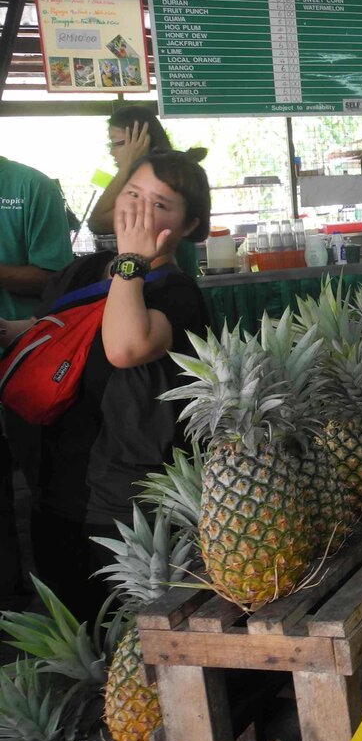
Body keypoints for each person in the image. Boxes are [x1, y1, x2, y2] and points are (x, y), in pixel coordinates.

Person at [1, 151, 211, 620]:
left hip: (122, 503)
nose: (138, 210)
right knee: (75, 625)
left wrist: (132, 263)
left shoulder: (177, 293)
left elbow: (125, 347)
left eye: (161, 204)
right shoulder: (83, 271)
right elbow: (52, 331)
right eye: (132, 194)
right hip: (54, 482)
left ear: (190, 225)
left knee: (130, 631)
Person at [0, 155, 74, 596]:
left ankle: (49, 600)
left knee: (43, 485)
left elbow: (55, 278)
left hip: (27, 362)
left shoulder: (30, 186)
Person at [90, 106, 207, 277]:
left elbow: (97, 222)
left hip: (164, 289)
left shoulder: (162, 181)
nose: (112, 152)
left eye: (118, 143)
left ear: (141, 141)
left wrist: (128, 165)